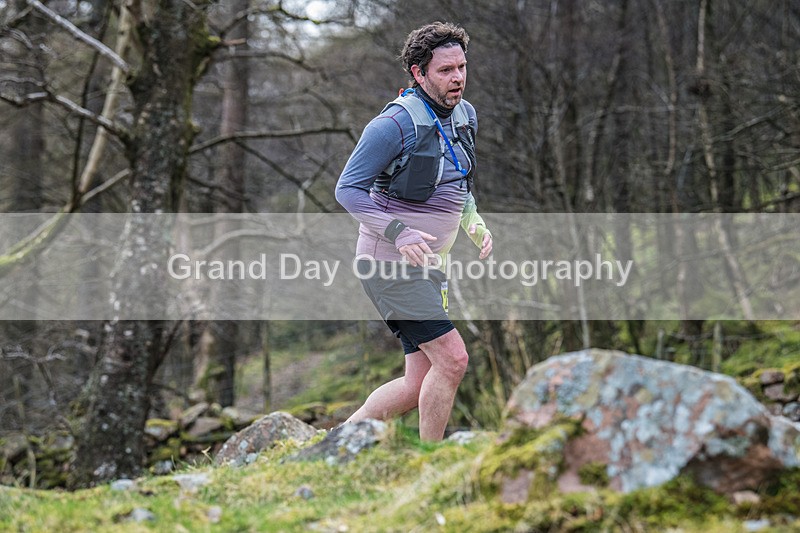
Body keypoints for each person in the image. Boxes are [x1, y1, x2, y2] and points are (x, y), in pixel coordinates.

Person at [335, 21, 492, 441]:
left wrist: (474, 223)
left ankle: (332, 445)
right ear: (418, 73)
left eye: (461, 66)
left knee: (417, 382)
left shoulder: (466, 114)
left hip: (428, 266)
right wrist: (399, 232)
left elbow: (458, 181)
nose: (457, 77)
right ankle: (430, 463)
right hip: (388, 263)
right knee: (453, 360)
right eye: (445, 70)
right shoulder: (391, 126)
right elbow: (346, 190)